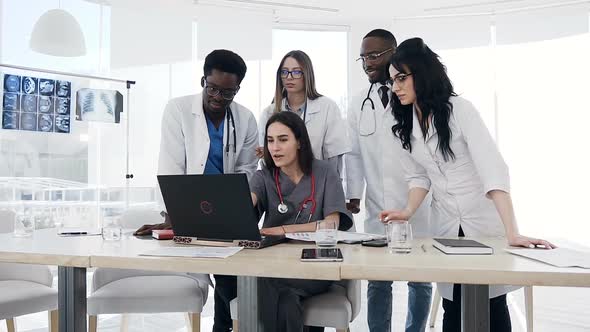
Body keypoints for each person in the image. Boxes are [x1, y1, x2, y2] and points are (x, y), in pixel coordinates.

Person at [379, 37, 556, 332]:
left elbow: (493, 169)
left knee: (492, 303)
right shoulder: (403, 121)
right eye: (392, 80)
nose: (395, 87)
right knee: (453, 304)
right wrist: (408, 211)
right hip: (446, 223)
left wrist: (512, 232)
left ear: (421, 74)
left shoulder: (460, 110)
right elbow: (419, 176)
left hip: (482, 220)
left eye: (401, 78)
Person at [133, 49, 258, 332]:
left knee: (231, 278)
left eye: (227, 93)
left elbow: (248, 169)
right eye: (212, 88)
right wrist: (173, 214)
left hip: (228, 210)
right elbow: (171, 164)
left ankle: (222, 327)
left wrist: (234, 204)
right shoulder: (178, 109)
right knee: (217, 276)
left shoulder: (246, 118)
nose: (217, 97)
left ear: (237, 90)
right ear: (203, 80)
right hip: (189, 208)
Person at [345, 29, 432, 332]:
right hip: (377, 206)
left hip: (416, 203)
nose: (367, 62)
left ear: (392, 53)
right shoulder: (358, 102)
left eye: (373, 55)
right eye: (363, 57)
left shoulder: (412, 96)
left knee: (419, 279)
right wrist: (353, 194)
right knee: (378, 280)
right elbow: (353, 153)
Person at [250, 111, 353, 331]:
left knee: (269, 285)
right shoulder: (264, 176)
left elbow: (331, 224)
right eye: (270, 141)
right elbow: (247, 203)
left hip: (313, 267)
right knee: (283, 297)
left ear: (299, 142)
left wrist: (281, 229)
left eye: (283, 139)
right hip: (273, 266)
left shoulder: (325, 173)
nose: (275, 148)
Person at [256, 50, 350, 175]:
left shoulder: (327, 107)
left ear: (307, 74)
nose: (289, 77)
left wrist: (331, 188)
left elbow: (334, 159)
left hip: (317, 185)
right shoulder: (269, 113)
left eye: (296, 72)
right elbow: (266, 160)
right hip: (279, 186)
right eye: (284, 72)